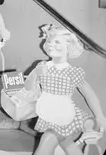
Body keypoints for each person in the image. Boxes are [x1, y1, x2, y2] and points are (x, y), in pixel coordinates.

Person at [25, 25, 106, 155]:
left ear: (69, 47)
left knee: (48, 139)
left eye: (57, 42)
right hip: (47, 112)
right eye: (49, 41)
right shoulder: (42, 66)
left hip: (64, 114)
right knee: (66, 144)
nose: (51, 45)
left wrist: (99, 116)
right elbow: (28, 88)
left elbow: (88, 93)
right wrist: (34, 74)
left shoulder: (73, 72)